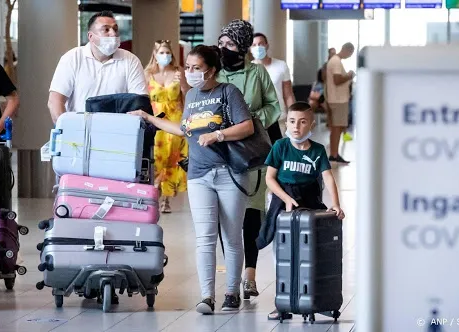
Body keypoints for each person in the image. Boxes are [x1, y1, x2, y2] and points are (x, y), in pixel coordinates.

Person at [129, 45, 255, 314]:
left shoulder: (228, 92)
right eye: (188, 67)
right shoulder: (193, 96)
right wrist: (149, 117)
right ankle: (207, 295)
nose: (190, 72)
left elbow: (247, 126)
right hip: (199, 174)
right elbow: (184, 129)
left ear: (212, 70)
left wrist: (218, 135)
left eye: (197, 68)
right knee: (205, 237)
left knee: (231, 236)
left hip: (229, 173)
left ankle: (231, 291)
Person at [262, 101, 345, 320]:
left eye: (302, 122)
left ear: (311, 124)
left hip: (309, 200)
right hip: (283, 200)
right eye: (291, 121)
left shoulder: (317, 150)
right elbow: (270, 178)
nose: (296, 127)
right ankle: (283, 302)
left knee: (310, 252)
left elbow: (327, 176)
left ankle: (312, 298)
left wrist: (335, 204)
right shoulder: (280, 146)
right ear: (286, 123)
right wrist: (286, 198)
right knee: (283, 253)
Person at [217, 19, 280, 300]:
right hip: (220, 152)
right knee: (227, 215)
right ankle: (233, 274)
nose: (223, 49)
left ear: (242, 48)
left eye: (230, 44)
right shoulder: (213, 74)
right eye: (221, 43)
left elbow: (273, 106)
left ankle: (250, 275)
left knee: (251, 214)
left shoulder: (257, 74)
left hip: (252, 151)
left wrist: (253, 122)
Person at [48, 10, 147, 122]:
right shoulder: (72, 58)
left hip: (118, 133)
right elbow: (55, 102)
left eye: (115, 29)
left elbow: (140, 104)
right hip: (79, 132)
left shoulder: (131, 60)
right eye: (106, 29)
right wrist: (66, 131)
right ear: (91, 36)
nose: (113, 34)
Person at [143, 40, 189, 213]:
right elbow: (143, 98)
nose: (165, 56)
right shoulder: (148, 74)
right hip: (155, 121)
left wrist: (182, 82)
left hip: (175, 121)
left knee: (171, 159)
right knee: (156, 158)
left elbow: (187, 94)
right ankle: (155, 191)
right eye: (161, 52)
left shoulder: (179, 72)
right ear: (155, 55)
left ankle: (165, 199)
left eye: (167, 52)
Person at [251, 33, 296, 133]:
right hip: (257, 120)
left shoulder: (281, 66)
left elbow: (288, 95)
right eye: (254, 45)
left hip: (279, 118)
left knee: (279, 148)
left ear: (267, 45)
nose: (258, 47)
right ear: (250, 48)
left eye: (261, 44)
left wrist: (293, 116)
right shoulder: (248, 69)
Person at [325, 42, 355, 164]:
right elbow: (337, 80)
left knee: (335, 128)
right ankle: (334, 154)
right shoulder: (336, 61)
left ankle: (334, 153)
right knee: (337, 128)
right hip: (338, 100)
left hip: (335, 99)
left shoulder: (334, 60)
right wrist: (349, 76)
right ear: (348, 51)